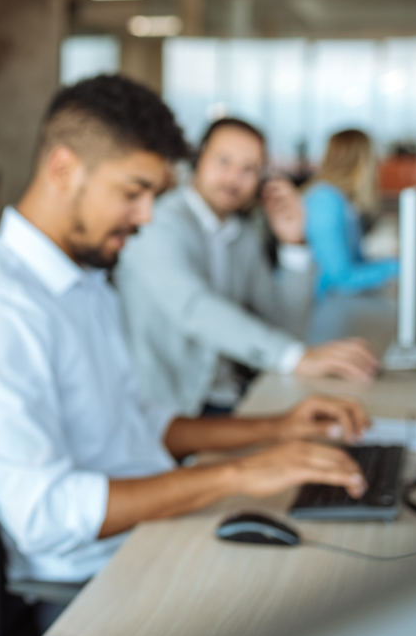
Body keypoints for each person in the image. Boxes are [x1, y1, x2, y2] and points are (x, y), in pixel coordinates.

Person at [0, 75, 371, 618]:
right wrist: (237, 473)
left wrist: (275, 430)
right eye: (133, 193)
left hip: (150, 531)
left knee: (350, 574)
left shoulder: (85, 282)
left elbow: (141, 422)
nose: (146, 217)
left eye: (153, 197)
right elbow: (43, 513)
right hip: (97, 577)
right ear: (64, 169)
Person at [117, 118, 380, 417]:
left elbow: (283, 327)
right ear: (198, 160)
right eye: (223, 161)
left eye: (249, 169)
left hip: (228, 396)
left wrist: (293, 244)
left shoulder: (242, 235)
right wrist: (295, 357)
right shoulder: (157, 225)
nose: (233, 178)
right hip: (166, 409)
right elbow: (196, 309)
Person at [304, 128, 398, 297]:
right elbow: (340, 279)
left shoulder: (342, 200)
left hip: (337, 304)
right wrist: (400, 266)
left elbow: (355, 263)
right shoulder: (324, 200)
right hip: (319, 309)